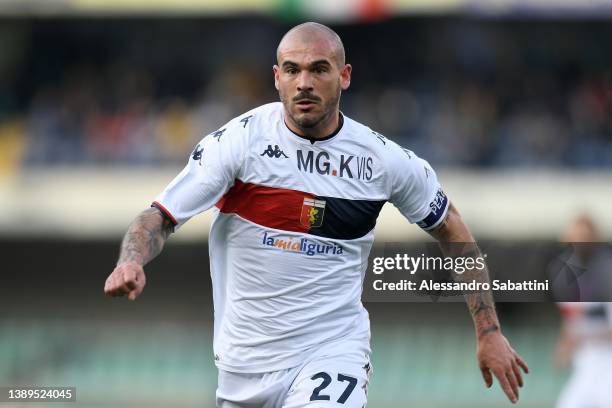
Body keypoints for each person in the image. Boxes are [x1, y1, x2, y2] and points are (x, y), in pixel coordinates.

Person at [104, 22, 528, 407]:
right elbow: (158, 217)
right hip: (243, 368)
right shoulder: (239, 143)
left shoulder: (381, 161)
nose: (304, 83)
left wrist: (488, 331)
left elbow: (451, 227)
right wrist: (131, 260)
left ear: (343, 76)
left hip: (332, 352)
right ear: (276, 78)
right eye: (292, 70)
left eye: (319, 69)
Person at [554, 216, 612, 408]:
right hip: (586, 365)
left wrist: (583, 334)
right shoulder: (568, 276)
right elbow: (572, 321)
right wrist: (565, 344)